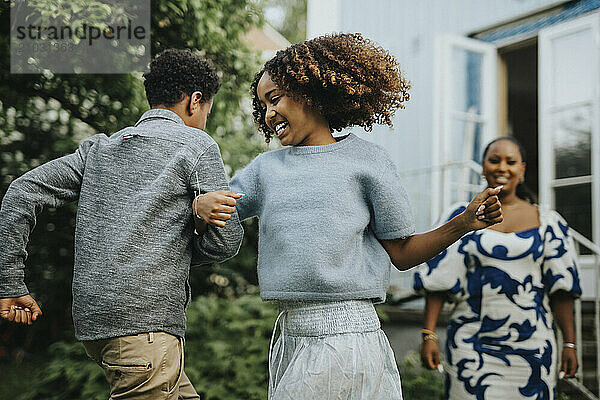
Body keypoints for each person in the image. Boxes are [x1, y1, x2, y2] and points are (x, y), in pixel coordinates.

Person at [194, 33, 503, 400]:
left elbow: (402, 254)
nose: (268, 113)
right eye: (262, 106)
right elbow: (220, 212)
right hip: (290, 334)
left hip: (348, 335)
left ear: (310, 90)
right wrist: (200, 208)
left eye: (275, 99)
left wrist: (464, 222)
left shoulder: (367, 161)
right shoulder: (265, 169)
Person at [0, 49, 244, 399]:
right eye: (207, 110)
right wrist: (196, 219)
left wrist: (9, 283)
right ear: (195, 101)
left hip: (97, 327)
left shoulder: (98, 149)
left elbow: (22, 191)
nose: (204, 118)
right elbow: (225, 243)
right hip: (144, 329)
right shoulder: (196, 144)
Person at [415, 137, 581, 400]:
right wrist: (429, 334)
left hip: (534, 348)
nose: (502, 167)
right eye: (494, 160)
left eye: (510, 162)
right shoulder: (461, 216)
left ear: (522, 169)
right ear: (483, 167)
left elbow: (562, 289)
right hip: (470, 346)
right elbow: (439, 280)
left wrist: (570, 343)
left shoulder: (548, 222)